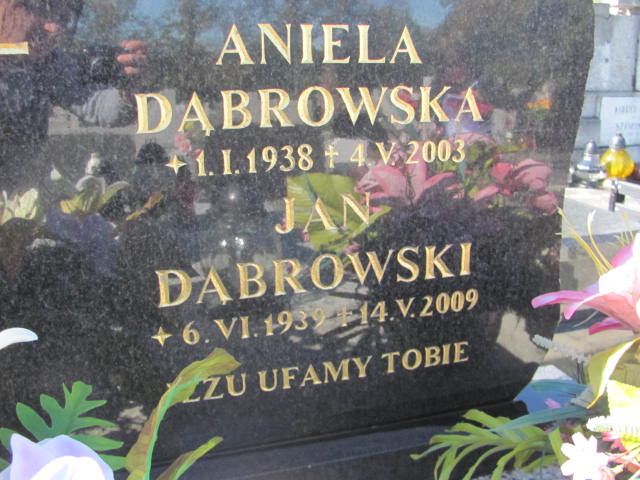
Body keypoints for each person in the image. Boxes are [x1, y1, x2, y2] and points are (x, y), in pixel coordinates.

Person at [0, 0, 147, 194]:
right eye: (41, 10)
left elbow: (93, 103)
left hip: (19, 196)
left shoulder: (48, 63)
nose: (54, 28)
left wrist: (129, 91)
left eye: (64, 19)